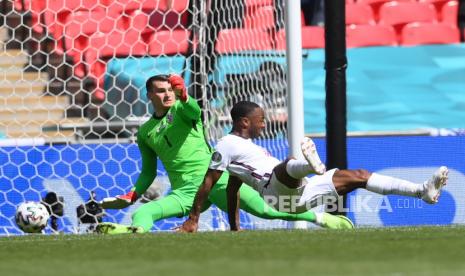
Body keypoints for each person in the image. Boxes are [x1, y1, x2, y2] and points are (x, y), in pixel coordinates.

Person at [95, 75, 354, 234]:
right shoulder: (145, 132)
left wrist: (184, 94)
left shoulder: (183, 113)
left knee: (267, 211)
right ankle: (135, 231)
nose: (166, 95)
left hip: (215, 181)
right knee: (145, 212)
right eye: (160, 91)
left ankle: (323, 218)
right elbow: (148, 171)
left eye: (169, 91)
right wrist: (132, 195)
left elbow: (194, 111)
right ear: (150, 95)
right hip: (184, 192)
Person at [178, 101, 449, 232]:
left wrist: (235, 229)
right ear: (244, 122)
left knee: (359, 176)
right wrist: (193, 218)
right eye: (260, 120)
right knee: (283, 167)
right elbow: (209, 182)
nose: (264, 123)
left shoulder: (247, 149)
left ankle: (421, 191)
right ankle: (306, 165)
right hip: (275, 195)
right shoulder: (225, 144)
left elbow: (234, 183)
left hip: (300, 193)